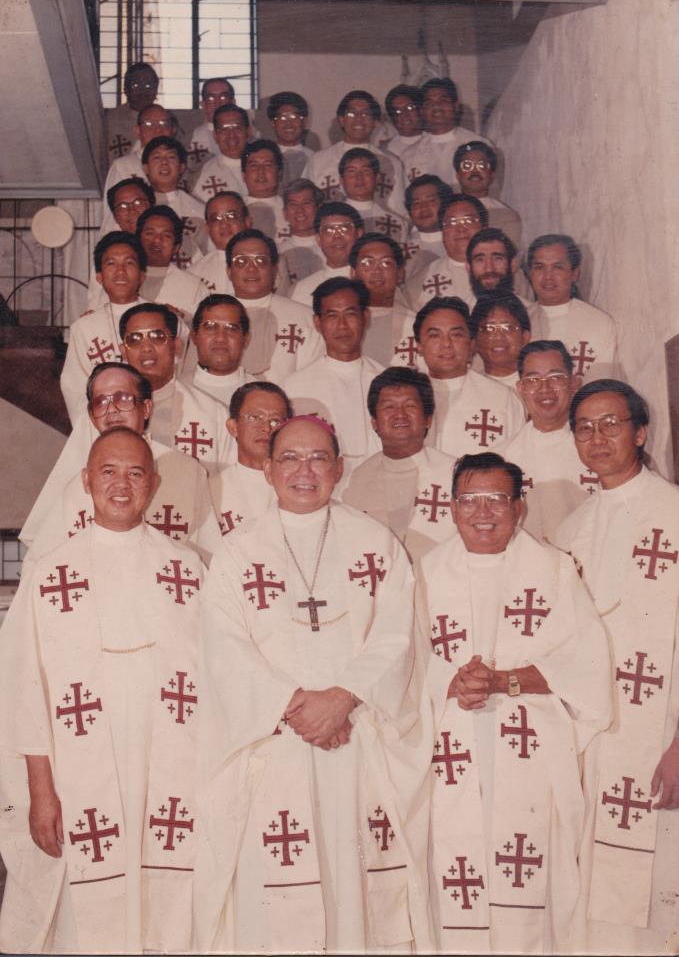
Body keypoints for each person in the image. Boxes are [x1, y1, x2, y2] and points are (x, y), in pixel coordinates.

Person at [194, 414, 433, 953]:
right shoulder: (239, 551)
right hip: (274, 745)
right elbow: (222, 646)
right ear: (267, 470)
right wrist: (295, 706)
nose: (305, 471)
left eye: (319, 458)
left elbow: (400, 634)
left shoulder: (376, 542)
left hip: (357, 744)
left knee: (356, 894)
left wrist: (343, 699)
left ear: (339, 467)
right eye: (290, 459)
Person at [0, 427, 202, 954]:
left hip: (169, 770)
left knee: (167, 904)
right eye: (108, 472)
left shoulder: (187, 568)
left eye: (135, 472)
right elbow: (25, 689)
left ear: (153, 484)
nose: (121, 484)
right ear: (87, 481)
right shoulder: (51, 571)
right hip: (79, 772)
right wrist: (41, 790)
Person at [419, 451, 611, 953]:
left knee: (528, 883)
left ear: (519, 508)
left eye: (497, 499)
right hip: (449, 751)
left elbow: (585, 668)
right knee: (454, 877)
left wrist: (505, 681)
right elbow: (401, 663)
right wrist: (451, 680)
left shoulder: (554, 570)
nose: (484, 512)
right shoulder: (423, 574)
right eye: (470, 500)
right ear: (452, 508)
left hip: (529, 755)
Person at [555, 380, 679, 955]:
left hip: (661, 735)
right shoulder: (571, 530)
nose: (597, 437)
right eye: (584, 426)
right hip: (594, 741)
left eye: (611, 423)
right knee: (596, 894)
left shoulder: (675, 512)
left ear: (641, 431)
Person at [24, 362, 221, 566]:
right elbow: (39, 564)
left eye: (123, 399)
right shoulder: (77, 484)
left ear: (146, 408)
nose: (112, 410)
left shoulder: (187, 472)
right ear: (92, 417)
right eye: (101, 402)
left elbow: (211, 558)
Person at [343, 367, 455, 560]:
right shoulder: (358, 477)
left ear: (428, 419)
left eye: (410, 406)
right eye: (389, 407)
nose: (400, 415)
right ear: (374, 423)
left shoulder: (454, 472)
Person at [283, 277, 383, 483]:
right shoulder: (293, 387)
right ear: (317, 323)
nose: (342, 326)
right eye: (332, 316)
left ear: (366, 317)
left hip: (379, 486)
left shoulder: (386, 382)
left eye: (350, 314)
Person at [119, 303, 233, 473]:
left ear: (177, 346)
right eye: (134, 339)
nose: (146, 348)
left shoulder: (213, 413)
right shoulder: (104, 412)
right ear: (123, 352)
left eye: (157, 336)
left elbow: (229, 481)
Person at [502, 340, 597, 544]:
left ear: (573, 383)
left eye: (555, 377)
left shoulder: (599, 447)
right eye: (533, 379)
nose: (545, 388)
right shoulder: (504, 457)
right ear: (520, 387)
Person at [414, 296, 524, 457]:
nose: (446, 344)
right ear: (419, 346)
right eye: (434, 335)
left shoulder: (503, 398)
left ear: (472, 344)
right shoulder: (409, 397)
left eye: (456, 335)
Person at [61, 232, 150, 422]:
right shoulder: (83, 328)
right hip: (103, 426)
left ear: (142, 275)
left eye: (129, 263)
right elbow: (74, 387)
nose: (120, 271)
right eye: (111, 263)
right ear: (99, 277)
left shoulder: (160, 320)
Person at [226, 228, 322, 382]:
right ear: (229, 271)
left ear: (274, 269)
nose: (251, 268)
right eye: (241, 261)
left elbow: (313, 380)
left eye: (261, 260)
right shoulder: (211, 316)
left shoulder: (305, 318)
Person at [526, 235, 619, 381]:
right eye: (539, 267)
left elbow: (603, 384)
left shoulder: (598, 322)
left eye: (558, 267)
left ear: (575, 273)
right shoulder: (520, 321)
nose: (548, 276)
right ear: (530, 273)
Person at [303, 90, 407, 215]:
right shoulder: (318, 160)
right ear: (341, 120)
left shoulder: (391, 162)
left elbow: (400, 210)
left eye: (366, 114)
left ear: (374, 121)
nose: (359, 119)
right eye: (352, 113)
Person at [208, 381, 291, 535]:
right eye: (254, 417)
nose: (266, 428)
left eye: (275, 421)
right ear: (233, 427)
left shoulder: (297, 486)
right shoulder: (210, 490)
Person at [401, 77, 493, 188]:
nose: (436, 106)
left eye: (443, 100)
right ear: (422, 111)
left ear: (456, 106)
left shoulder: (480, 145)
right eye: (429, 103)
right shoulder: (409, 154)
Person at [407, 194, 488, 309]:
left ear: (484, 227)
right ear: (442, 231)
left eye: (469, 221)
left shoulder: (507, 272)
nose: (461, 229)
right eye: (452, 222)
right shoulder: (417, 284)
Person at [348, 232, 415, 367]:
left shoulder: (415, 324)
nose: (377, 271)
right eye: (367, 263)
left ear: (400, 274)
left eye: (386, 263)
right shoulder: (343, 322)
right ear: (353, 273)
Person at [141, 136, 206, 266]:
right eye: (157, 157)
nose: (164, 163)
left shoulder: (199, 210)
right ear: (145, 168)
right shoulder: (136, 208)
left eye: (171, 157)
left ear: (182, 167)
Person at [290, 201, 364, 308]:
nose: (337, 236)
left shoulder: (374, 282)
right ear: (318, 239)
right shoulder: (301, 290)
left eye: (344, 228)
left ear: (359, 234)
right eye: (329, 230)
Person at [190, 293, 256, 406]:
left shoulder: (263, 396)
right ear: (194, 336)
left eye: (231, 329)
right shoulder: (174, 389)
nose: (220, 338)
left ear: (245, 339)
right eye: (210, 327)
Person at [453, 141, 521, 248]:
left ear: (492, 175)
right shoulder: (447, 210)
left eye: (482, 165)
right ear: (458, 175)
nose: (475, 171)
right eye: (467, 166)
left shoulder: (506, 216)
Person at [104, 104, 177, 196]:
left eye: (163, 123)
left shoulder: (180, 165)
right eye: (149, 124)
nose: (158, 130)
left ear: (173, 130)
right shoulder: (122, 167)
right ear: (138, 131)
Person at [338, 147, 408, 244]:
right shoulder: (332, 219)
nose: (359, 178)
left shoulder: (395, 222)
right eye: (352, 172)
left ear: (377, 178)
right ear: (341, 180)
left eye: (365, 171)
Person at [188, 191, 251, 294]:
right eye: (216, 219)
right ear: (208, 228)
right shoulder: (193, 274)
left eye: (231, 216)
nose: (224, 225)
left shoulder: (270, 265)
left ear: (247, 222)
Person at [471, 292, 531, 387]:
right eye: (489, 329)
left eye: (507, 328)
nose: (498, 337)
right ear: (475, 341)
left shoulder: (539, 386)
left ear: (525, 337)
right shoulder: (470, 389)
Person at [192, 104, 249, 202]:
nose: (231, 135)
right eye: (224, 129)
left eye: (237, 127)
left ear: (248, 132)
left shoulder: (264, 164)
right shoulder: (203, 174)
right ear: (215, 136)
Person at [276, 179, 325, 291]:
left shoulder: (331, 249)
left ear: (318, 209)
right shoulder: (278, 254)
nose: (300, 211)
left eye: (306, 203)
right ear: (285, 213)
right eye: (293, 204)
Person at [106, 62, 159, 163]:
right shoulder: (110, 120)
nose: (143, 90)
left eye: (148, 85)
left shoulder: (165, 119)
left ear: (156, 89)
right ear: (126, 89)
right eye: (136, 85)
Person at [402, 174, 451, 280]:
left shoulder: (458, 243)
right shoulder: (401, 251)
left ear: (446, 204)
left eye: (431, 201)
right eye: (416, 203)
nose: (423, 208)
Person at [241, 140, 287, 240]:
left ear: (279, 173)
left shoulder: (293, 210)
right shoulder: (237, 210)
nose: (260, 172)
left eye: (268, 165)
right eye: (254, 166)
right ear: (243, 175)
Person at [266, 91, 314, 186]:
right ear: (272, 123)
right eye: (282, 118)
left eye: (293, 117)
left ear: (304, 122)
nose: (288, 123)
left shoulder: (314, 158)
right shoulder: (266, 157)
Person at [382, 84, 424, 159]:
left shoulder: (434, 142)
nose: (404, 115)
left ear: (420, 110)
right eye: (398, 111)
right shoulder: (384, 151)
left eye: (409, 108)